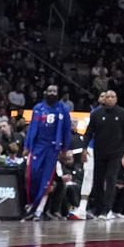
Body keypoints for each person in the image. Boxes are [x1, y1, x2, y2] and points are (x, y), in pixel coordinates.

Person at [22, 85, 72, 220]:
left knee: (47, 181)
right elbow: (32, 127)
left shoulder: (63, 110)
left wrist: (64, 149)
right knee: (32, 176)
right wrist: (27, 146)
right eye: (49, 91)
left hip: (52, 149)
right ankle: (31, 203)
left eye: (54, 91)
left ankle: (37, 210)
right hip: (37, 146)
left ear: (58, 93)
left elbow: (66, 131)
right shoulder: (38, 108)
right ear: (45, 92)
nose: (51, 93)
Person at [83, 89, 124, 219]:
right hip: (99, 152)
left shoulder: (123, 113)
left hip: (116, 153)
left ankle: (107, 209)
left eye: (112, 97)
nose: (109, 99)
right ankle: (98, 209)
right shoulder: (96, 114)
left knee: (111, 180)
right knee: (98, 180)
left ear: (116, 99)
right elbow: (89, 132)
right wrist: (84, 148)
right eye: (107, 97)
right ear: (104, 99)